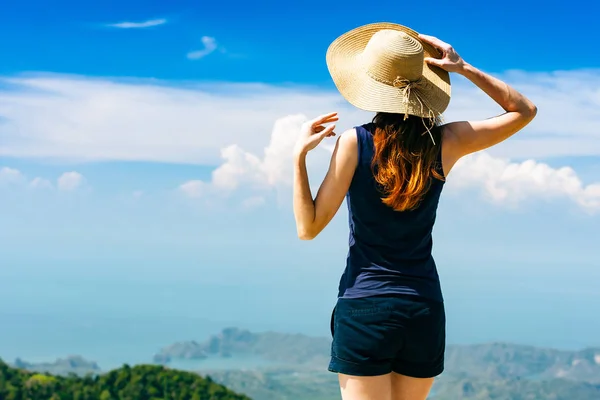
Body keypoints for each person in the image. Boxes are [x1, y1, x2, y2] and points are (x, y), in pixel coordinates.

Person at [292, 22, 537, 400]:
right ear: (423, 83)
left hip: (365, 307)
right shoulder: (448, 141)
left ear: (370, 84)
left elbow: (307, 228)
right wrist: (463, 66)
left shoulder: (353, 143)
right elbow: (524, 110)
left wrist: (298, 158)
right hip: (423, 309)